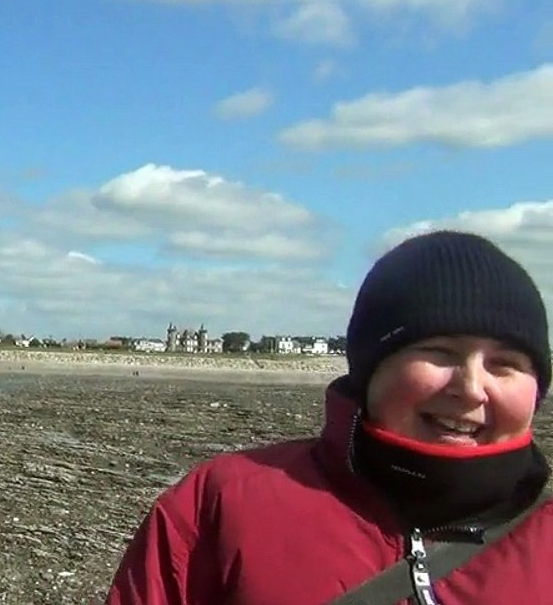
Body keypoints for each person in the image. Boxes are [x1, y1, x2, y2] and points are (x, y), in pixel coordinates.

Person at [103, 230, 553, 604]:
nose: (471, 388)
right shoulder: (216, 505)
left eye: (505, 363)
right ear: (370, 369)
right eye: (440, 352)